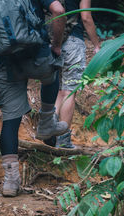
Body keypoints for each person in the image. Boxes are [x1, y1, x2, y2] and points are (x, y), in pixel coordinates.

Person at [0, 0, 68, 197]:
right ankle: (46, 122)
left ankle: (10, 181)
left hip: (7, 65)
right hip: (38, 57)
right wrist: (56, 46)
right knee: (53, 72)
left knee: (10, 120)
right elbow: (58, 10)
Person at [46, 0, 100, 148]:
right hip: (73, 42)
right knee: (68, 91)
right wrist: (96, 45)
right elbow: (86, 17)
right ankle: (63, 140)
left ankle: (49, 130)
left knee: (59, 90)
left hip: (51, 41)